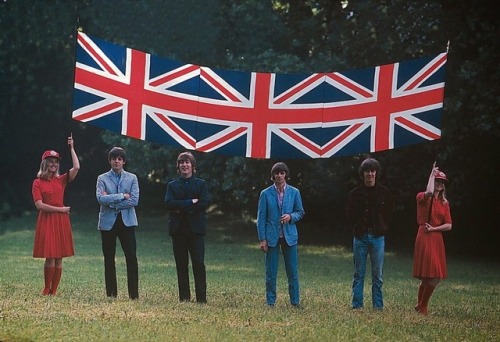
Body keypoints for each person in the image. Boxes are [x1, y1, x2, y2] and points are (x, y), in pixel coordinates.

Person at [32, 134, 80, 296]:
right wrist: (61, 210)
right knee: (50, 255)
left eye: (56, 162)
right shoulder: (37, 182)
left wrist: (72, 148)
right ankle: (46, 288)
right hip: (48, 219)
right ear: (45, 164)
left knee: (59, 256)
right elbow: (39, 205)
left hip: (61, 221)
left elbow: (77, 168)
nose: (53, 164)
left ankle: (54, 290)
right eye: (50, 162)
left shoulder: (61, 180)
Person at [347, 157, 394, 310]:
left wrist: (383, 228)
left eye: (372, 171)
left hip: (378, 237)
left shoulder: (385, 193)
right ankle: (357, 305)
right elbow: (350, 214)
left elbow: (389, 213)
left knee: (377, 275)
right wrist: (356, 228)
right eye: (367, 171)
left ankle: (378, 306)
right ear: (363, 174)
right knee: (358, 274)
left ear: (376, 173)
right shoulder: (355, 193)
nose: (370, 174)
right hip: (360, 237)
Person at [256, 162, 305, 307]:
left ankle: (295, 302)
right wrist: (262, 239)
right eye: (276, 173)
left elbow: (300, 212)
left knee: (292, 272)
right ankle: (270, 302)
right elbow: (261, 218)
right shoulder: (265, 194)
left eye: (282, 173)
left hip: (289, 236)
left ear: (286, 175)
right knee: (271, 272)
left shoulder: (294, 192)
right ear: (273, 176)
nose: (279, 175)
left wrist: (291, 217)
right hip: (272, 237)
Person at [165, 152, 210, 303]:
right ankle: (184, 298)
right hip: (178, 230)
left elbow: (203, 203)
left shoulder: (201, 184)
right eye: (181, 162)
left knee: (198, 263)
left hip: (196, 230)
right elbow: (169, 204)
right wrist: (191, 202)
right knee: (181, 264)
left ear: (193, 166)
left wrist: (180, 207)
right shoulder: (172, 185)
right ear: (178, 166)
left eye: (187, 162)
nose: (184, 165)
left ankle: (201, 298)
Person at [96, 147, 140, 299]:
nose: (116, 161)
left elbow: (134, 200)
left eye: (119, 159)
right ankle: (111, 294)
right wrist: (122, 196)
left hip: (127, 222)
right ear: (109, 160)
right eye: (114, 158)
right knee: (109, 258)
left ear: (124, 161)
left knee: (131, 257)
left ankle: (134, 295)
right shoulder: (102, 178)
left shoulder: (132, 178)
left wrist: (112, 201)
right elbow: (100, 199)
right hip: (108, 223)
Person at [412, 162, 452, 315]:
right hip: (424, 235)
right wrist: (431, 174)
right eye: (437, 181)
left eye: (442, 182)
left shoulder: (444, 203)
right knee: (429, 275)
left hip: (436, 237)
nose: (439, 184)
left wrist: (435, 228)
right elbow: (429, 191)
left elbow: (449, 225)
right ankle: (423, 306)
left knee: (433, 275)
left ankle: (420, 305)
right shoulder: (423, 197)